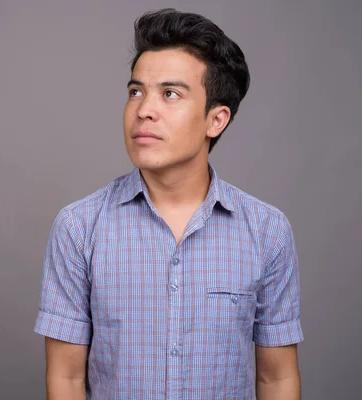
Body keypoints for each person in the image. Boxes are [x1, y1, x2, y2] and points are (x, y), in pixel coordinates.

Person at [33, 8, 303, 400]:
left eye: (170, 94)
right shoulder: (79, 226)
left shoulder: (267, 230)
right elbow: (66, 379)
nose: (144, 109)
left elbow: (276, 379)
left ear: (216, 120)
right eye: (135, 91)